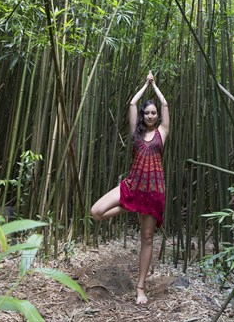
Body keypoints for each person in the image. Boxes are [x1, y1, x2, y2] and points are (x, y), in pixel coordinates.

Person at [90, 71, 170, 305]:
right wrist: (144, 84)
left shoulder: (162, 133)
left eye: (153, 113)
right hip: (133, 185)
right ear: (143, 116)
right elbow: (133, 103)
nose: (150, 115)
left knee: (146, 239)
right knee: (97, 212)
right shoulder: (136, 134)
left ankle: (140, 288)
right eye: (147, 113)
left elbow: (165, 104)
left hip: (154, 191)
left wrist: (155, 88)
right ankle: (129, 206)